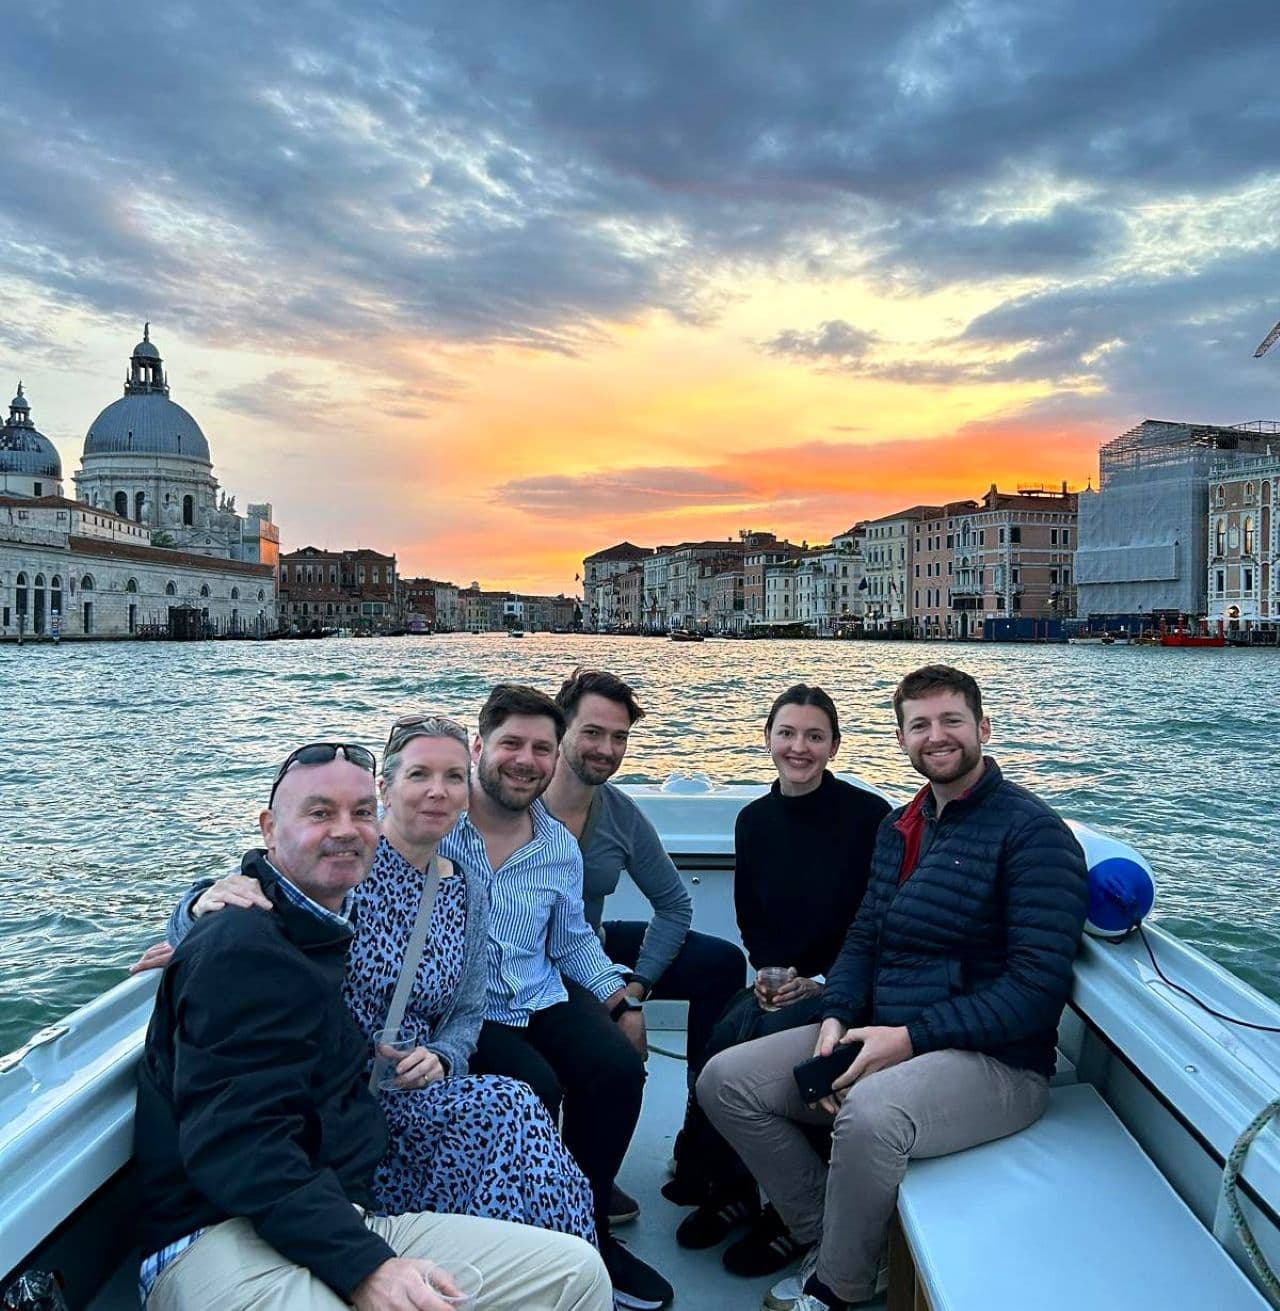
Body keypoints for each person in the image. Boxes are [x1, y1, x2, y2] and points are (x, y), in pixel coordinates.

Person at [134, 740, 610, 1311]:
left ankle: (581, 1244)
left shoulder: (437, 888)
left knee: (520, 1112)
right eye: (321, 813)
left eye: (358, 814)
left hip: (343, 1159)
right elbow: (244, 1140)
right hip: (241, 1211)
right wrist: (193, 907)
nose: (346, 828)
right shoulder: (277, 922)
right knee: (510, 1110)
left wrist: (445, 1056)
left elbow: (467, 1005)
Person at [698, 665, 1090, 1311]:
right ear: (902, 738)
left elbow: (1035, 990)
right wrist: (835, 1018)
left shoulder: (1033, 833)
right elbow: (865, 937)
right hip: (884, 1030)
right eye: (919, 724)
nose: (936, 736)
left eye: (951, 720)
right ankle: (829, 1236)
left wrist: (904, 1040)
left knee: (870, 1112)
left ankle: (837, 1285)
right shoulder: (903, 826)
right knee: (726, 1080)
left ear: (983, 728)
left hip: (998, 1062)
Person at [441, 683, 673, 1311]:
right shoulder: (436, 826)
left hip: (539, 992)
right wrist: (209, 903)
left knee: (617, 1070)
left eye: (542, 748)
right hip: (465, 1009)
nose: (527, 760)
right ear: (478, 745)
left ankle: (588, 1225)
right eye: (512, 743)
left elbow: (571, 944)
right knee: (535, 1087)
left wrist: (622, 999)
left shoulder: (557, 846)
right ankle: (527, 1242)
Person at [670, 685, 889, 1268]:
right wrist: (772, 976)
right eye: (787, 733)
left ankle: (791, 1210)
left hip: (845, 987)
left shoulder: (868, 819)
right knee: (727, 1029)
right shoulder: (755, 820)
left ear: (834, 746)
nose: (799, 747)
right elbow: (752, 917)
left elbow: (874, 923)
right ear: (768, 739)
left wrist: (818, 981)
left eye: (814, 736)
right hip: (782, 978)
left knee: (766, 1043)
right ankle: (732, 1184)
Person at [543, 668, 748, 1219]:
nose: (606, 749)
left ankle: (698, 1140)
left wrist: (637, 985)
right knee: (607, 1058)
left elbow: (674, 903)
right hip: (530, 967)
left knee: (722, 963)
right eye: (592, 732)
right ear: (560, 726)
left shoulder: (619, 813)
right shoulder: (517, 799)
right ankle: (576, 1179)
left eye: (619, 737)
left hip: (592, 951)